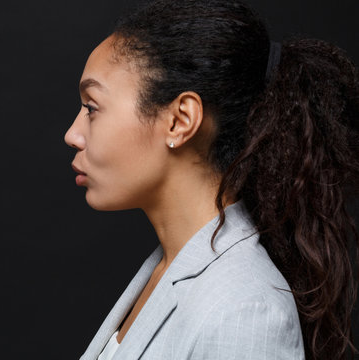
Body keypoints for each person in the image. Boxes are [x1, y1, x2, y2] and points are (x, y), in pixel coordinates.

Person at [64, 0, 359, 359]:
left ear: (180, 120)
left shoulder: (245, 311)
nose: (72, 135)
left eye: (91, 108)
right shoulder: (168, 270)